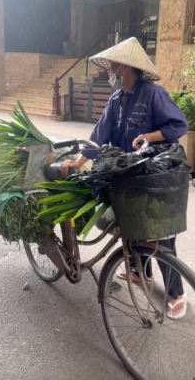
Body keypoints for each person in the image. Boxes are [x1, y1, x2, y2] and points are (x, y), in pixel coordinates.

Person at [59, 37, 189, 320]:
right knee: (131, 224)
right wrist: (79, 161)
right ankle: (139, 269)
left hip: (155, 176)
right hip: (127, 177)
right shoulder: (115, 100)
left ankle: (176, 292)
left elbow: (179, 125)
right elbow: (99, 135)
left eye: (114, 66)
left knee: (161, 233)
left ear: (127, 68)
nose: (111, 72)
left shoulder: (153, 94)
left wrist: (148, 137)